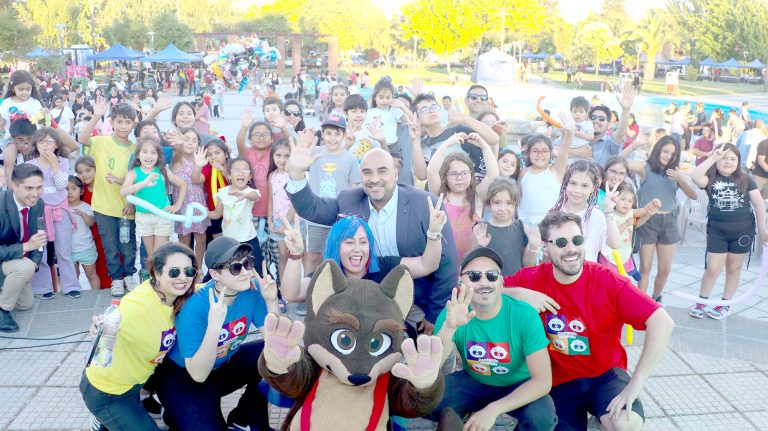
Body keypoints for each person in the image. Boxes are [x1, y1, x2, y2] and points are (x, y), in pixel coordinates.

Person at [504, 211, 676, 431]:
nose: (571, 249)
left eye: (577, 240)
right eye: (560, 242)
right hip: (557, 382)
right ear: (546, 247)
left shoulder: (607, 280)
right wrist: (519, 294)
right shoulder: (531, 279)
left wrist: (637, 383)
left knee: (625, 424)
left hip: (605, 376)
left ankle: (600, 422)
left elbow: (662, 322)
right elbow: (479, 288)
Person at [286, 143, 458, 335]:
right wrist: (296, 174)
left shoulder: (426, 205)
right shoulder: (348, 200)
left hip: (415, 300)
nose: (374, 179)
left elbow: (446, 263)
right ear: (361, 176)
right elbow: (313, 208)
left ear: (395, 173)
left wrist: (434, 315)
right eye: (367, 172)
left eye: (382, 171)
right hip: (360, 296)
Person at [155, 237, 277, 430]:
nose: (246, 272)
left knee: (278, 361)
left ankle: (246, 418)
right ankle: (174, 412)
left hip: (222, 367)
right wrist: (214, 326)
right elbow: (198, 374)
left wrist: (271, 301)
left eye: (248, 263)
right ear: (215, 274)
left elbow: (276, 345)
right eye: (236, 268)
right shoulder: (194, 307)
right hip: (187, 377)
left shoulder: (252, 289)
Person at [429, 247, 557, 431]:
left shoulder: (524, 315)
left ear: (502, 282)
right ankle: (464, 417)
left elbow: (543, 381)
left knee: (541, 419)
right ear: (461, 281)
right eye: (474, 276)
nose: (484, 282)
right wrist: (450, 327)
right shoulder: (453, 311)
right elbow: (433, 366)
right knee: (427, 399)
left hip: (517, 383)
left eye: (491, 276)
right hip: (475, 379)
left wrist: (493, 409)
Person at [80, 242, 197, 431]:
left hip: (135, 385)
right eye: (174, 272)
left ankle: (110, 420)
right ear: (157, 274)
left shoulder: (178, 294)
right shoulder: (139, 306)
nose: (183, 278)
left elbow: (209, 286)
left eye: (189, 271)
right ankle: (102, 419)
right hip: (108, 394)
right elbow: (115, 317)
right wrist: (100, 325)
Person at [279, 204, 445, 303]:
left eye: (363, 242)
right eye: (349, 242)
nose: (357, 248)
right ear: (336, 247)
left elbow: (427, 265)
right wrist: (295, 254)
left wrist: (434, 233)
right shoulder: (325, 274)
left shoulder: (384, 267)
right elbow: (291, 294)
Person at [688, 144, 768, 320]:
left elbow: (758, 204)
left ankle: (726, 304)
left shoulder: (746, 180)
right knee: (712, 268)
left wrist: (763, 229)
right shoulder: (710, 178)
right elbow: (694, 176)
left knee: (734, 268)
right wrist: (713, 157)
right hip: (717, 232)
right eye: (724, 158)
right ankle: (701, 301)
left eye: (733, 159)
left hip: (743, 232)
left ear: (738, 162)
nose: (728, 162)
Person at [78, 98, 139, 297]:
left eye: (127, 122)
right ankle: (116, 279)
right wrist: (96, 115)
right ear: (111, 122)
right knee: (110, 246)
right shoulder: (101, 142)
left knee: (128, 245)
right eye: (119, 121)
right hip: (103, 207)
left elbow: (139, 178)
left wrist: (131, 201)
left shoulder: (135, 149)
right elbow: (82, 139)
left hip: (126, 208)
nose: (123, 126)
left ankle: (129, 274)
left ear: (133, 123)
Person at [627, 135, 698, 302]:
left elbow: (693, 195)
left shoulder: (675, 174)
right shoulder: (645, 168)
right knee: (645, 267)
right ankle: (642, 303)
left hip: (669, 222)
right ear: (658, 150)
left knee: (665, 268)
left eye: (673, 154)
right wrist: (634, 145)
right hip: (647, 220)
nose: (668, 156)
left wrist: (681, 178)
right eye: (665, 151)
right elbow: (618, 162)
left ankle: (656, 298)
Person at [299, 117, 361, 273]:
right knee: (313, 255)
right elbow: (297, 165)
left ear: (343, 135)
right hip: (316, 216)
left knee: (336, 257)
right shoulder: (314, 153)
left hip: (339, 216)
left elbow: (355, 188)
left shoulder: (350, 159)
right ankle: (308, 288)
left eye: (337, 133)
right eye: (328, 133)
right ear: (323, 135)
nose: (332, 138)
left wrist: (352, 217)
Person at [27, 128, 82, 299]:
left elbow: (60, 186)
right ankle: (43, 288)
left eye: (50, 141)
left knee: (64, 251)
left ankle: (71, 285)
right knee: (40, 250)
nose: (46, 145)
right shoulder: (29, 165)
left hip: (59, 211)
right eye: (42, 141)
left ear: (57, 144)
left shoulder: (63, 162)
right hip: (38, 213)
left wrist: (55, 165)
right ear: (36, 144)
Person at [120, 137, 187, 261]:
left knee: (159, 255)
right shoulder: (133, 173)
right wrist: (144, 183)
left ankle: (160, 279)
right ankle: (155, 279)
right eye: (145, 152)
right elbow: (123, 191)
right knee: (151, 256)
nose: (149, 156)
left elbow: (183, 184)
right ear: (138, 155)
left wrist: (177, 205)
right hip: (143, 217)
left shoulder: (162, 171)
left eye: (153, 152)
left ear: (158, 156)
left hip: (162, 216)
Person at [411, 93, 500, 182]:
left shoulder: (458, 131)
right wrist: (415, 140)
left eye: (434, 107)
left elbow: (494, 139)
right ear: (417, 118)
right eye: (424, 109)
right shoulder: (423, 145)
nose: (431, 111)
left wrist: (464, 118)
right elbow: (422, 175)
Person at [0, 164, 46, 332]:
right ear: (13, 186)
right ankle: (2, 310)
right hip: (7, 260)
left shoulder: (39, 204)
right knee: (24, 267)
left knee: (25, 304)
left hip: (14, 261)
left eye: (39, 187)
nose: (35, 194)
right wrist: (26, 247)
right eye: (29, 188)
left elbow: (39, 238)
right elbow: (31, 243)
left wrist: (34, 265)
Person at [473, 178, 541, 276]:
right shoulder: (480, 228)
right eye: (497, 203)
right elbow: (473, 265)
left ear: (516, 204)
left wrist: (534, 248)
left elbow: (528, 266)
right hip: (491, 285)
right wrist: (481, 247)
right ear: (489, 204)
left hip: (516, 286)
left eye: (508, 203)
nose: (502, 208)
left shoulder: (523, 228)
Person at [517, 115, 575, 226]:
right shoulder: (524, 173)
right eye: (535, 151)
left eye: (544, 151)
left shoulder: (556, 170)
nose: (540, 155)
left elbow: (564, 150)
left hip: (550, 225)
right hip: (525, 225)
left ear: (550, 153)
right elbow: (518, 198)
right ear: (529, 153)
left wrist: (570, 133)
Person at [66, 176, 100, 289]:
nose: (70, 192)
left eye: (73, 188)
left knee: (91, 275)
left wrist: (83, 214)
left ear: (81, 191)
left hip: (86, 247)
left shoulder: (86, 207)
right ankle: (76, 296)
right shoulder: (61, 208)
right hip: (69, 249)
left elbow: (91, 223)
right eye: (66, 189)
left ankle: (96, 295)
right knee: (73, 277)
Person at [363, 77, 415, 151]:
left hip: (391, 147)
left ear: (392, 97)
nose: (384, 100)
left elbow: (413, 120)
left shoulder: (394, 111)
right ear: (374, 98)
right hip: (372, 146)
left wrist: (402, 106)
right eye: (381, 97)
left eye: (388, 97)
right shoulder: (369, 112)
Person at [1, 70, 43, 146]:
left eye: (28, 89)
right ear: (13, 88)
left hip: (32, 138)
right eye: (21, 89)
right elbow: (2, 121)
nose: (25, 92)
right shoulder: (6, 103)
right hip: (12, 139)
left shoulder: (35, 102)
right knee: (10, 153)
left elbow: (40, 121)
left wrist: (44, 115)